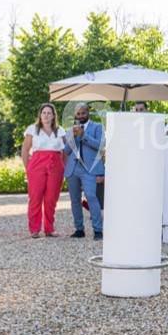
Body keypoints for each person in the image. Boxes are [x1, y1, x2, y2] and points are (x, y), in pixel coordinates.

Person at [21, 103, 67, 238]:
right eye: (44, 113)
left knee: (51, 198)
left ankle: (49, 228)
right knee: (35, 197)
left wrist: (63, 167)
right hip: (37, 164)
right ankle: (34, 229)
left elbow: (65, 152)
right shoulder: (33, 129)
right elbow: (25, 150)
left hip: (56, 165)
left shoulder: (60, 130)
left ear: (53, 116)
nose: (46, 115)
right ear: (40, 115)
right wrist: (27, 168)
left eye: (49, 113)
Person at [64, 103, 104, 240]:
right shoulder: (70, 129)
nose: (80, 116)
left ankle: (98, 230)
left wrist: (83, 135)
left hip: (89, 169)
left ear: (88, 113)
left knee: (91, 196)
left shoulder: (97, 127)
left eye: (83, 113)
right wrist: (73, 137)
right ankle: (79, 229)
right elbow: (66, 151)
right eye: (78, 114)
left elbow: (100, 146)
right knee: (75, 200)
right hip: (73, 168)